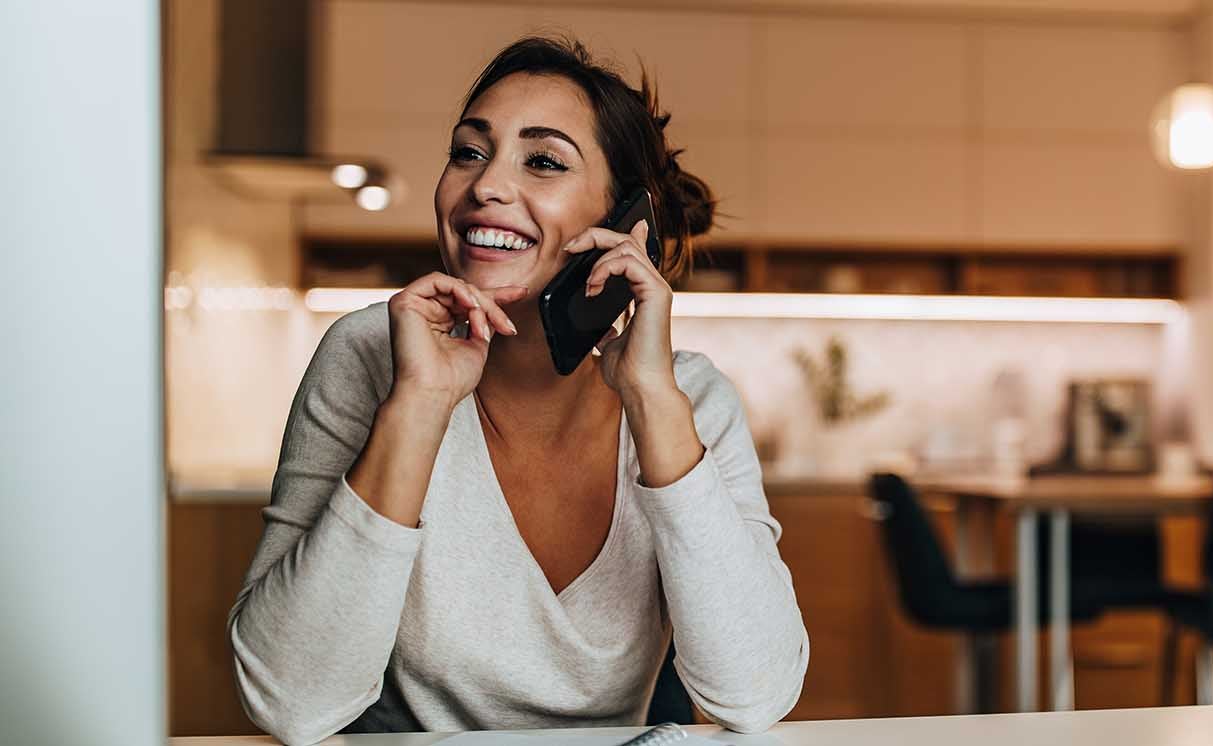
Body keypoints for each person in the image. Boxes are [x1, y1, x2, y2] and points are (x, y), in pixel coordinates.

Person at [229, 36, 809, 746]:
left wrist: (653, 399)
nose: (484, 186)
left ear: (627, 221)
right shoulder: (371, 356)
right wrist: (418, 406)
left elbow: (755, 695)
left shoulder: (686, 397)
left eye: (542, 161)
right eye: (469, 152)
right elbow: (289, 701)